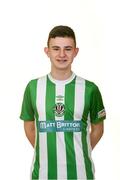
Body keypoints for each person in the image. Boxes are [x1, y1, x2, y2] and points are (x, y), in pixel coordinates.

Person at [20, 25, 106, 180]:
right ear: (47, 51)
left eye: (67, 49)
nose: (61, 54)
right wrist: (47, 151)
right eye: (55, 49)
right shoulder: (33, 87)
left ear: (75, 52)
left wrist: (81, 149)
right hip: (43, 174)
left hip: (80, 174)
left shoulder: (90, 89)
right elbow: (29, 127)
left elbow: (98, 129)